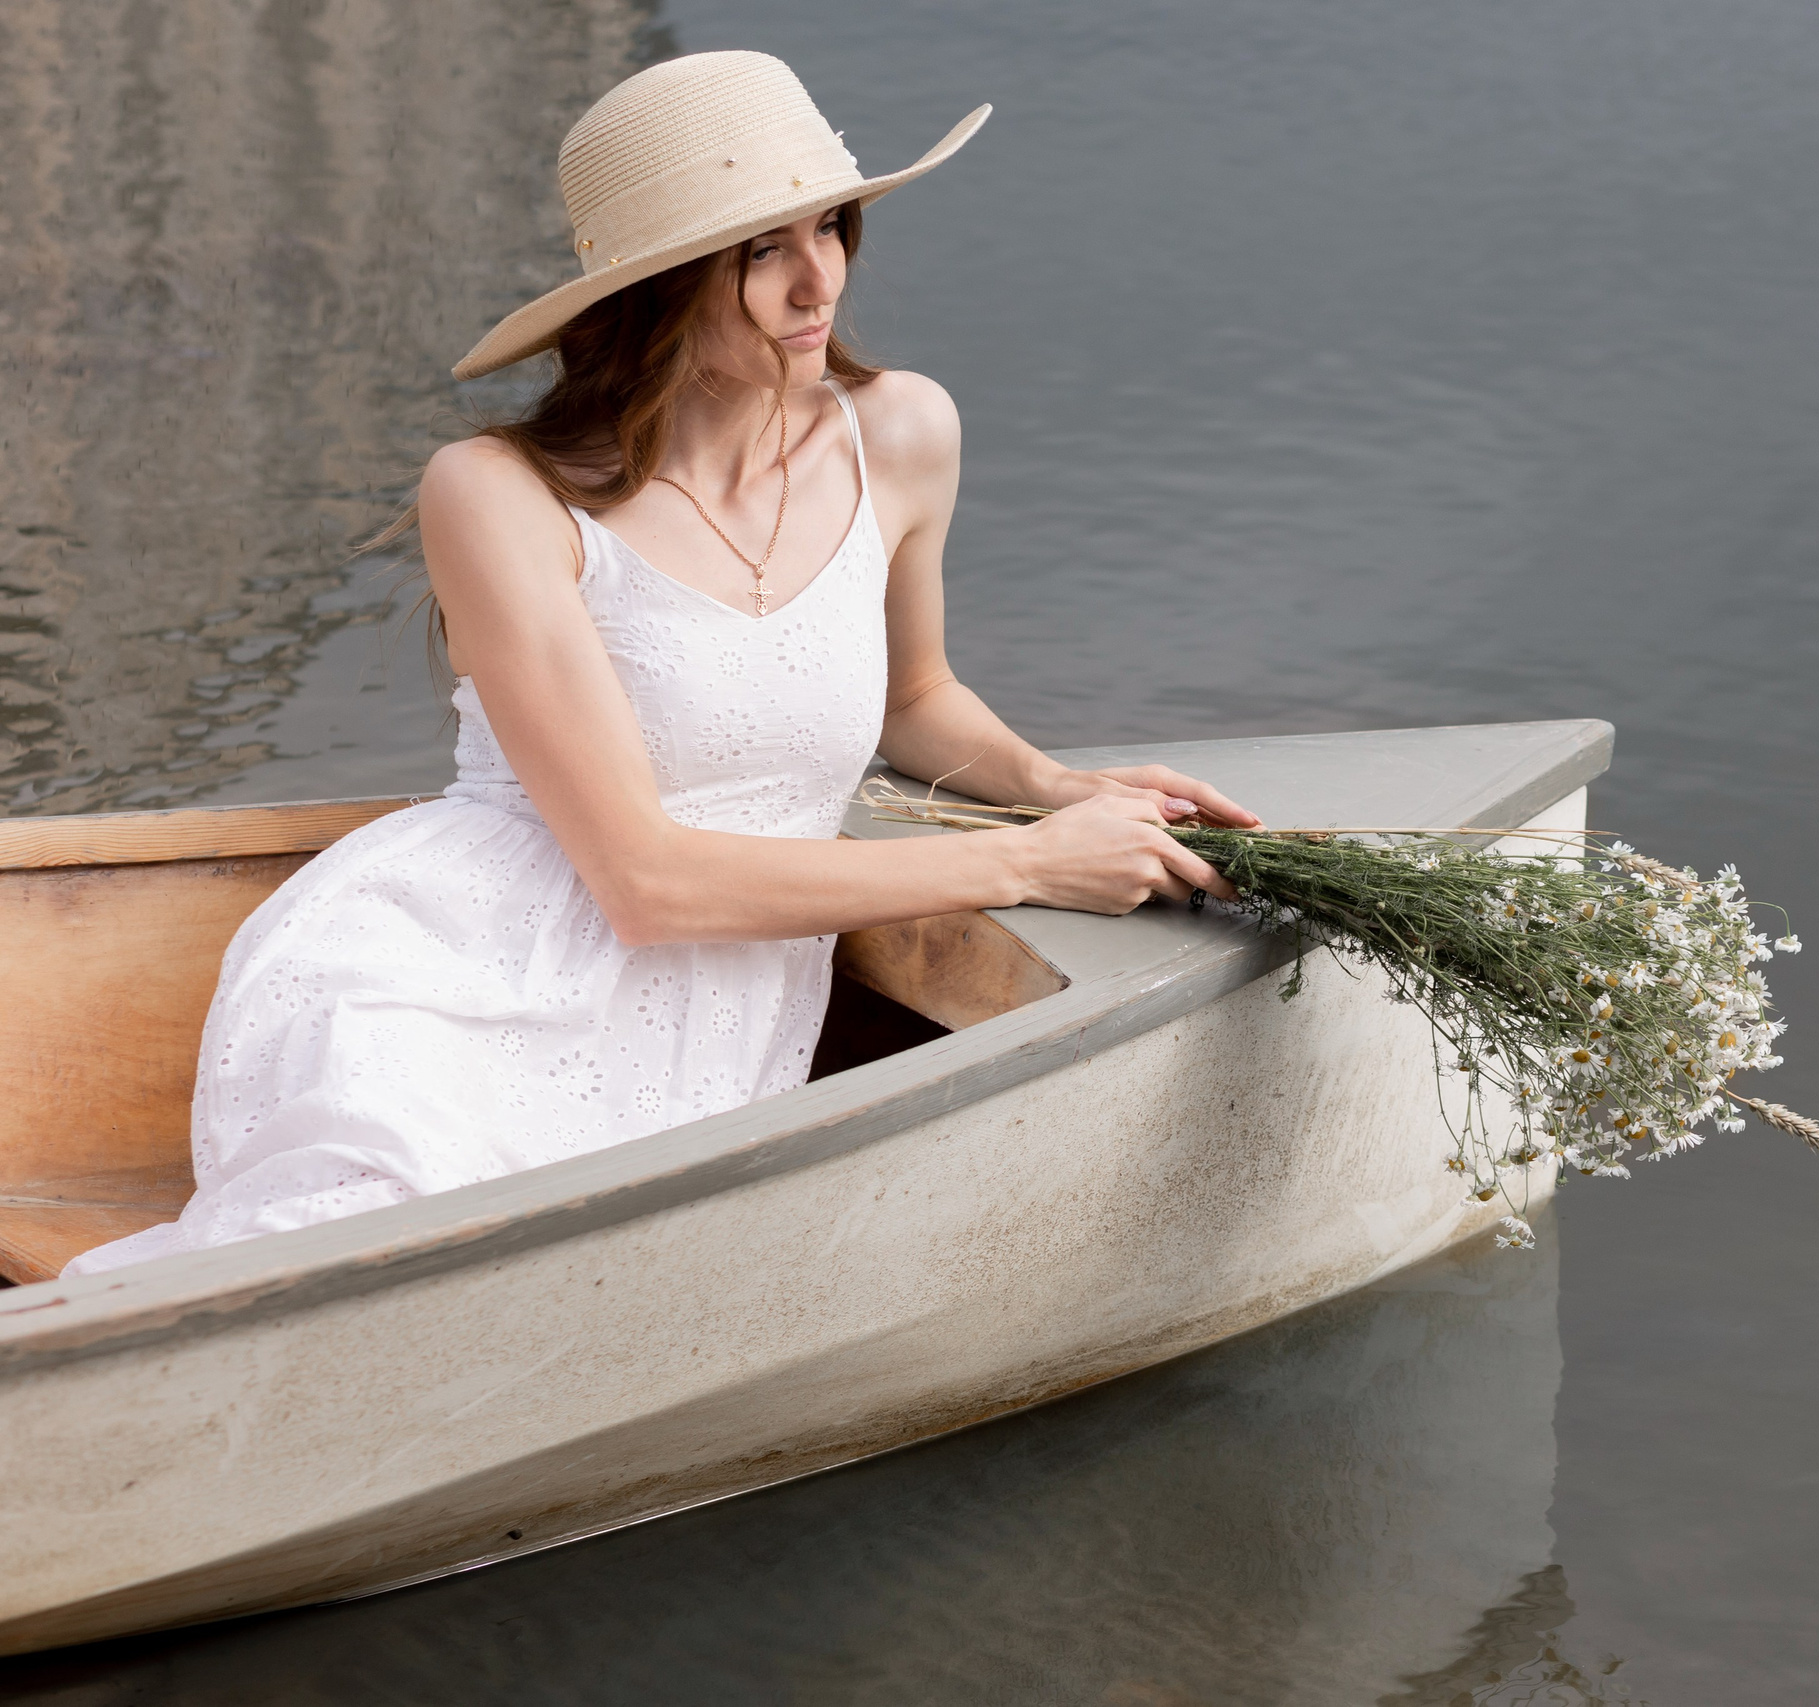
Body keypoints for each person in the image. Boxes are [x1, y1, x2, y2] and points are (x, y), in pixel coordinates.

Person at [63, 52, 1255, 1277]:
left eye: (829, 228)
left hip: (719, 1007)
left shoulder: (901, 432)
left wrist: (1060, 788)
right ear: (655, 287)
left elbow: (912, 699)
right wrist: (1026, 862)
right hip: (453, 977)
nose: (817, 283)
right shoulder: (501, 494)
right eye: (759, 251)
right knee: (339, 1254)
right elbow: (643, 885)